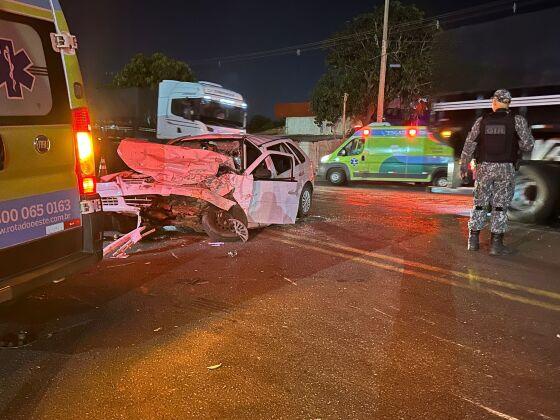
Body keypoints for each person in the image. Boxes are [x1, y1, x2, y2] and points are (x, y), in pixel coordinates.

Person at [460, 89, 535, 256]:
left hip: (484, 168)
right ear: (508, 103)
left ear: (494, 102)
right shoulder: (517, 120)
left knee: (479, 203)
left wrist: (463, 167)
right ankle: (496, 245)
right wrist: (516, 145)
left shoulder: (482, 121)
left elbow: (469, 144)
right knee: (500, 206)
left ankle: (473, 241)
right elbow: (528, 145)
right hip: (505, 169)